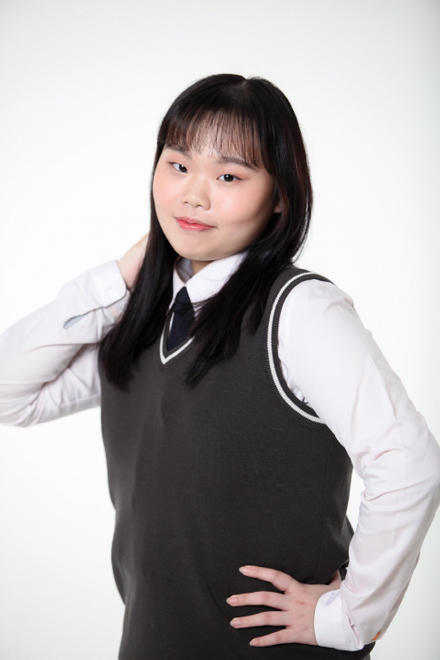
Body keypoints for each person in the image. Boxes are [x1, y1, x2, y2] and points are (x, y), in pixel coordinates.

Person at [0, 73, 439, 660]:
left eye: (229, 176)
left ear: (279, 196)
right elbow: (10, 392)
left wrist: (351, 616)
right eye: (178, 166)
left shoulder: (299, 310)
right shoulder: (143, 315)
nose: (193, 196)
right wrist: (121, 276)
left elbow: (406, 458)